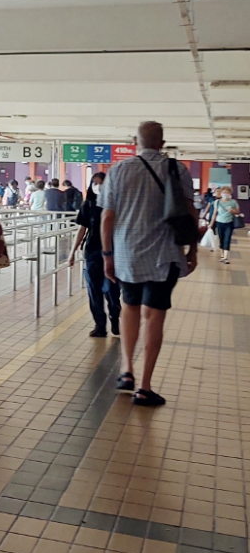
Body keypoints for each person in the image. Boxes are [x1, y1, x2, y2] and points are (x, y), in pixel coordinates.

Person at [100, 120, 198, 407]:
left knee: (128, 306)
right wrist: (192, 250)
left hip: (127, 255)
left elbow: (107, 218)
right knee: (153, 316)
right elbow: (190, 212)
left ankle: (126, 371)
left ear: (135, 142)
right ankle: (144, 387)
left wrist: (107, 256)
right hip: (165, 255)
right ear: (162, 143)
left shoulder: (118, 170)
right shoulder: (177, 170)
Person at [70, 172, 119, 338]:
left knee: (111, 290)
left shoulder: (116, 205)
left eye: (101, 183)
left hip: (113, 254)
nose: (97, 186)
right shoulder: (88, 205)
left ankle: (115, 317)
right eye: (94, 183)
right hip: (92, 253)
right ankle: (100, 325)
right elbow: (82, 229)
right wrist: (72, 251)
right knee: (94, 291)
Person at [210, 185, 240, 264]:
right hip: (219, 222)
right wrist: (211, 224)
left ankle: (225, 258)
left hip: (229, 223)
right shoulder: (217, 202)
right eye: (224, 192)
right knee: (221, 239)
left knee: (227, 239)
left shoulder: (233, 202)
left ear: (230, 193)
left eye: (227, 192)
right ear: (221, 193)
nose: (225, 194)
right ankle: (222, 255)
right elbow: (214, 213)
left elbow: (238, 212)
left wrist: (232, 211)